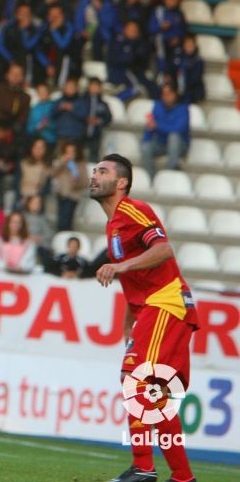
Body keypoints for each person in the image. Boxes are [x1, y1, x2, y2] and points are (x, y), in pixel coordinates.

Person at [89, 154, 197, 482]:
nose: (94, 175)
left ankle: (143, 468)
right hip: (158, 306)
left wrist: (119, 266)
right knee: (157, 394)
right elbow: (138, 278)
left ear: (121, 182)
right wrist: (127, 321)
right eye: (94, 170)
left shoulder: (133, 210)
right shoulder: (113, 226)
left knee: (134, 378)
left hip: (167, 303)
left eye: (103, 171)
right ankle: (183, 477)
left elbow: (163, 249)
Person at [140, 82, 190, 176]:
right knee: (145, 147)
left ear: (175, 94)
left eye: (168, 94)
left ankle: (169, 173)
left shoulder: (183, 109)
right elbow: (151, 125)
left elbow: (178, 129)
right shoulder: (157, 106)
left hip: (180, 145)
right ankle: (150, 178)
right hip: (161, 143)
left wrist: (158, 126)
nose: (165, 97)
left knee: (173, 137)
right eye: (163, 94)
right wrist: (146, 139)